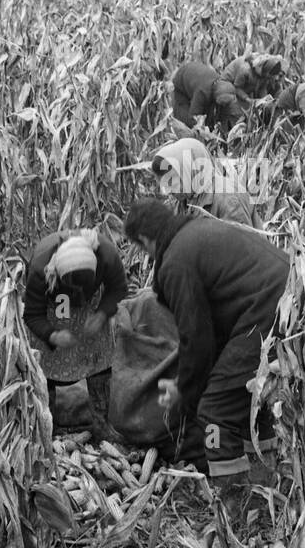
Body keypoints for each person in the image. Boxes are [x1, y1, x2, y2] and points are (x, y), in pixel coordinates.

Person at [123, 199, 289, 483]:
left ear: (145, 239)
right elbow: (213, 335)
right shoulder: (197, 233)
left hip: (270, 310)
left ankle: (233, 501)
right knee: (250, 397)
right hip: (291, 300)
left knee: (215, 409)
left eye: (141, 248)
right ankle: (269, 481)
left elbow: (196, 339)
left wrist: (184, 391)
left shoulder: (176, 261)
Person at [23, 225, 129, 440]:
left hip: (91, 308)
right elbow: (32, 313)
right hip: (53, 306)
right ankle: (47, 425)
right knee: (45, 361)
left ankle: (101, 423)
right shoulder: (42, 267)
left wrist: (101, 315)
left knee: (99, 357)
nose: (77, 292)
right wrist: (52, 335)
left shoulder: (106, 254)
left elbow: (118, 289)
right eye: (74, 286)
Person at [150, 137, 258, 228]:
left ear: (190, 170)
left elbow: (241, 248)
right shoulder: (185, 200)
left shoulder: (228, 198)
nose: (167, 191)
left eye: (171, 181)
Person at [171, 60, 245, 136]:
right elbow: (195, 117)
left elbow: (231, 110)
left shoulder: (223, 86)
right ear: (217, 97)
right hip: (181, 82)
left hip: (197, 74)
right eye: (223, 103)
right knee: (187, 120)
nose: (224, 105)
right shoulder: (202, 93)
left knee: (210, 115)